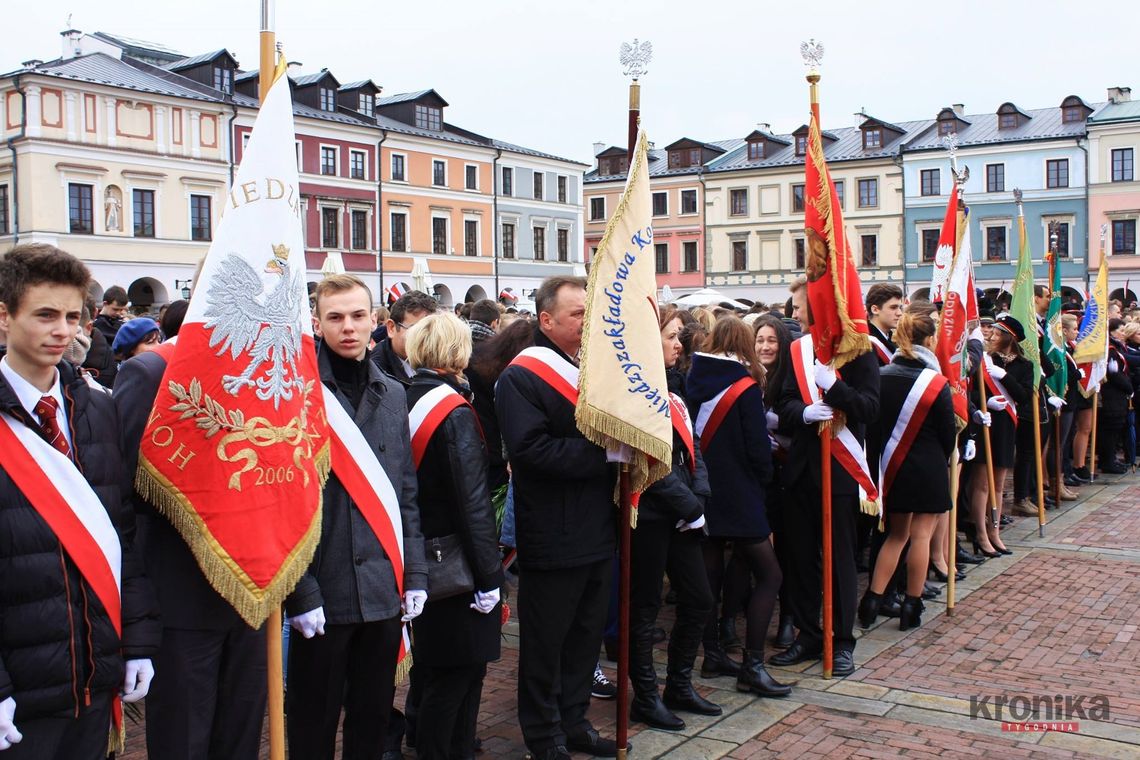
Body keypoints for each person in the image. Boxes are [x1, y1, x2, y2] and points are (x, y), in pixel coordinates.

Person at [0, 244, 160, 759]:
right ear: (4, 317)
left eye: (73, 316)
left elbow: (121, 534)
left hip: (94, 671)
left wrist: (137, 641)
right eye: (45, 315)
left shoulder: (96, 406)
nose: (63, 331)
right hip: (20, 689)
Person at [285, 275, 428, 760]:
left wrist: (416, 576)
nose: (348, 327)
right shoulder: (295, 394)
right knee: (313, 722)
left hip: (384, 590)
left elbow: (405, 492)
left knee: (372, 720)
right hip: (323, 593)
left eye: (357, 316)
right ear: (318, 323)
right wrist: (300, 591)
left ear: (375, 321)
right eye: (335, 317)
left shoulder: (391, 393)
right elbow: (282, 505)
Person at [116, 321, 268, 758]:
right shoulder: (149, 372)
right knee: (183, 741)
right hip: (180, 596)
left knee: (240, 739)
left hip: (251, 593)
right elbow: (123, 491)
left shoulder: (262, 375)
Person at [496, 276, 624, 760]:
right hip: (551, 534)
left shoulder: (585, 367)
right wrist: (607, 454)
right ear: (546, 320)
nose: (588, 322)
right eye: (578, 314)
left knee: (584, 641)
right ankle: (543, 734)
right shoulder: (521, 376)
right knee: (546, 646)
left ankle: (576, 725)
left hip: (595, 529)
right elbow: (531, 452)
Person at [403, 313, 503, 759]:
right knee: (458, 675)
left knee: (433, 669)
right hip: (455, 562)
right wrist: (489, 575)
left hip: (420, 553)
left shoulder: (402, 395)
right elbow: (472, 502)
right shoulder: (451, 410)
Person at [771, 275, 879, 677]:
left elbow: (870, 409)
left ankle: (841, 639)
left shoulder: (859, 353)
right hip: (800, 471)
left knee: (840, 561)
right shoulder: (796, 349)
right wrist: (802, 412)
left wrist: (834, 389)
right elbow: (780, 402)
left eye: (799, 307)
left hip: (839, 472)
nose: (793, 313)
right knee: (800, 560)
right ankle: (808, 633)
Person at [626, 307, 719, 731]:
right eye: (670, 336)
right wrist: (691, 507)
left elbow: (693, 452)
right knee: (643, 610)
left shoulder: (675, 392)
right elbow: (650, 465)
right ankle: (644, 697)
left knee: (699, 599)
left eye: (678, 336)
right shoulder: (633, 396)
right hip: (648, 517)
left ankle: (678, 684)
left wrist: (698, 499)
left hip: (682, 515)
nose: (678, 344)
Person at [688, 317, 789, 696]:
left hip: (704, 491)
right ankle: (753, 664)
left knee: (710, 577)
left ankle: (713, 654)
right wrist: (764, 477)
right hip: (740, 494)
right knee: (770, 575)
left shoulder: (693, 378)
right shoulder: (745, 387)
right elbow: (757, 448)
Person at [858, 305, 956, 630]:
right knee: (922, 537)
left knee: (895, 536)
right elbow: (947, 434)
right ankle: (912, 608)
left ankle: (871, 602)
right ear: (928, 339)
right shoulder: (936, 382)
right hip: (927, 469)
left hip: (892, 467)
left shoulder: (882, 375)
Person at [753, 314, 799, 649]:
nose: (765, 346)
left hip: (787, 476)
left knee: (789, 551)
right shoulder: (746, 376)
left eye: (771, 340)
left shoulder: (791, 377)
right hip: (757, 479)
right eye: (760, 340)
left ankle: (787, 618)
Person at [968, 315, 1030, 552]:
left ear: (1009, 337)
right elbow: (966, 393)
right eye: (990, 332)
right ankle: (980, 534)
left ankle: (994, 531)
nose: (991, 336)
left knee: (998, 484)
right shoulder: (982, 360)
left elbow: (1023, 398)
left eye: (996, 333)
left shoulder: (1024, 365)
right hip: (985, 421)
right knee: (981, 483)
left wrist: (1003, 376)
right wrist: (985, 403)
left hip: (1006, 425)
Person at [372, 290, 439, 385]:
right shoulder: (375, 373)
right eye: (416, 330)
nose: (426, 339)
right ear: (391, 328)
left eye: (431, 332)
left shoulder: (438, 361)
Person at [865, 284, 902, 366]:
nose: (899, 313)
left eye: (900, 308)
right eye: (893, 307)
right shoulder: (865, 346)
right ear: (875, 309)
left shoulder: (890, 338)